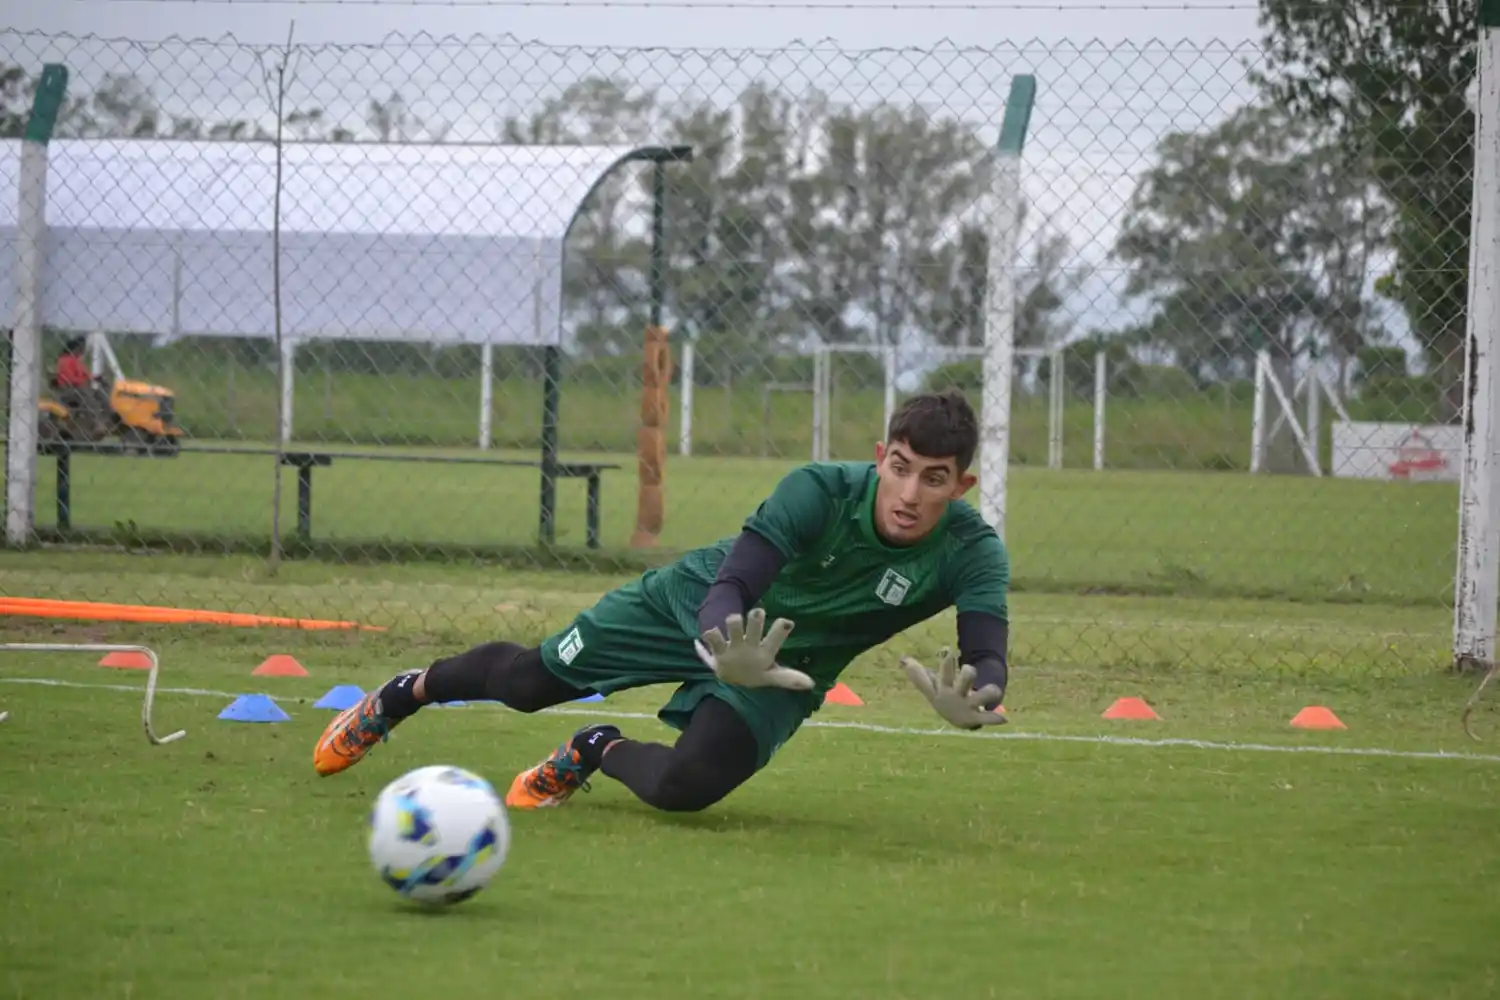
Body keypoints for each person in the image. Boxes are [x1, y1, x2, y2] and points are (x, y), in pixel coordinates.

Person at [312, 388, 1013, 813]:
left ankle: (594, 749)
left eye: (934, 478)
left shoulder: (973, 551)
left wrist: (977, 698)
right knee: (526, 684)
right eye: (900, 469)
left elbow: (987, 655)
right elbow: (734, 583)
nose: (911, 494)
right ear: (878, 455)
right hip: (690, 605)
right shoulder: (821, 490)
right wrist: (719, 642)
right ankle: (405, 694)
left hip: (785, 669)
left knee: (686, 787)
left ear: (963, 484)